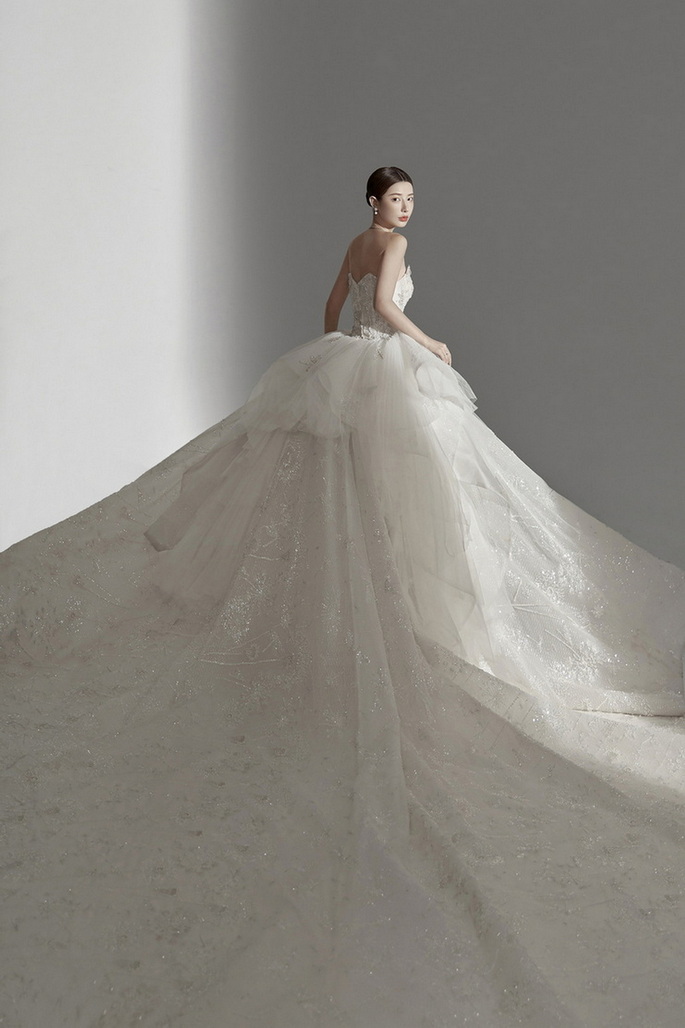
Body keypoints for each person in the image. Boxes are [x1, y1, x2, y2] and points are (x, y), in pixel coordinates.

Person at [3, 168, 685, 1027]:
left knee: (336, 492)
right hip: (385, 370)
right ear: (375, 205)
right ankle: (391, 605)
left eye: (409, 201)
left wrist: (343, 352)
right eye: (396, 201)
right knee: (407, 492)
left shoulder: (358, 243)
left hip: (342, 365)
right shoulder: (391, 247)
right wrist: (428, 344)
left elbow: (336, 306)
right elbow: (386, 309)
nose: (405, 211)